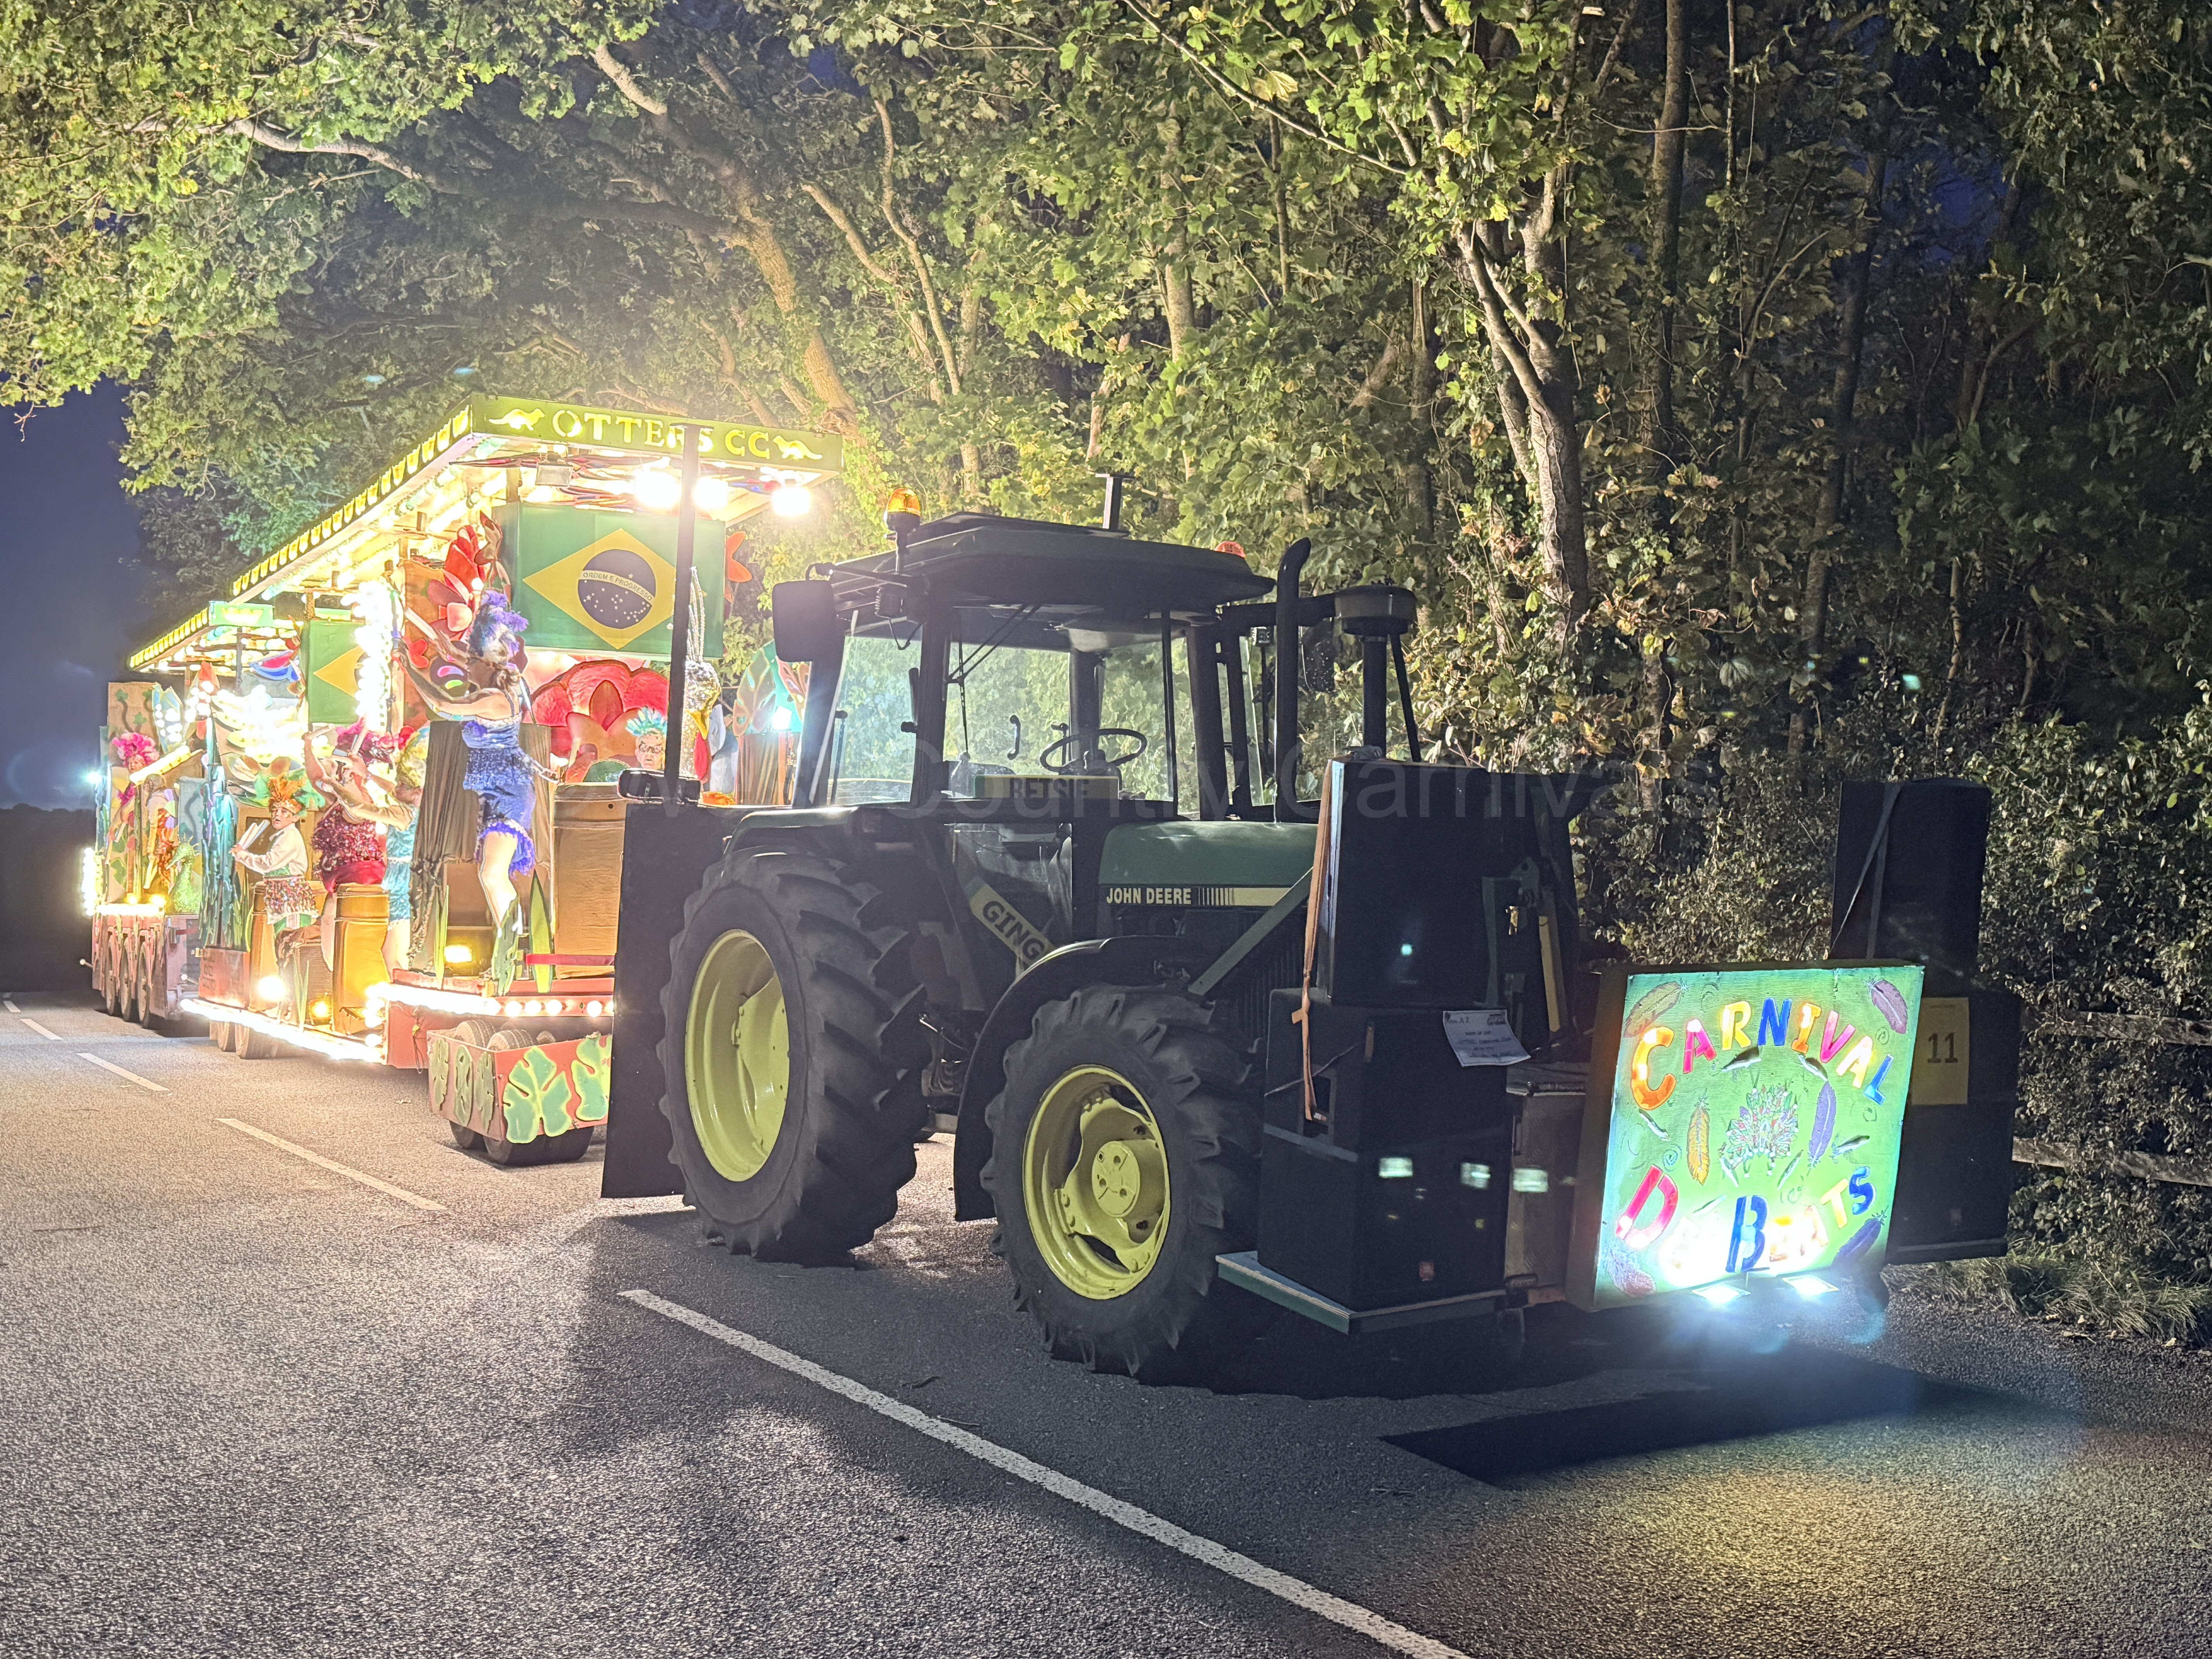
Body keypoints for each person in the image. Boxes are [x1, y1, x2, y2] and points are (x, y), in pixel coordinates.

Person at [402, 593, 538, 944]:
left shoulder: (492, 700)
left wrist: (409, 668)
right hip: (497, 790)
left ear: (488, 664)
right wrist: (442, 644)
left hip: (509, 790)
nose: (466, 668)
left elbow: (442, 703)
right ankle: (510, 936)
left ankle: (516, 941)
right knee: (489, 873)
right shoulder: (497, 681)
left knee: (492, 874)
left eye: (472, 662)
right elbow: (460, 655)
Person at [324, 727, 425, 975]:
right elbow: (392, 789)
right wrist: (366, 774)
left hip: (403, 884)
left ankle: (404, 991)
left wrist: (335, 787)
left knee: (398, 953)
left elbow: (359, 809)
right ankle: (397, 990)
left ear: (417, 793)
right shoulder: (416, 807)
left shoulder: (404, 814)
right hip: (401, 880)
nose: (396, 788)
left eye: (403, 785)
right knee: (389, 951)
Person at [303, 726, 389, 974]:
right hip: (342, 882)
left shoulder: (360, 800)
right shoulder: (339, 799)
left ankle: (347, 978)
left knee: (338, 935)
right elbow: (317, 779)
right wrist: (308, 746)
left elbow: (353, 802)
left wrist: (351, 777)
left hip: (361, 882)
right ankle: (339, 979)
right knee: (331, 933)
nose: (338, 769)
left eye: (342, 764)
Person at [231, 778, 318, 937]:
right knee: (282, 941)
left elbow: (268, 864)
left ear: (295, 817)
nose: (277, 815)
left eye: (284, 812)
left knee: (292, 940)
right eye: (275, 811)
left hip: (291, 900)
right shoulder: (283, 835)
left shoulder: (290, 836)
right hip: (282, 900)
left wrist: (242, 855)